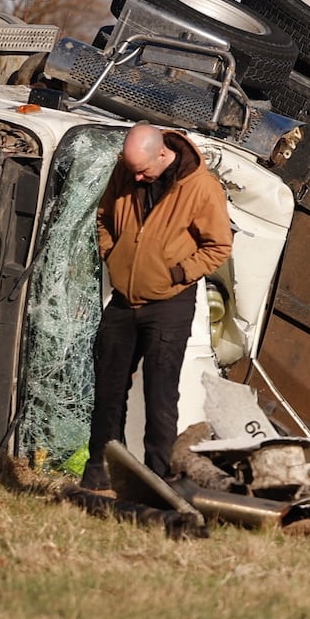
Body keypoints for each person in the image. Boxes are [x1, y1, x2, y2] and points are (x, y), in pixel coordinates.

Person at [81, 124, 232, 491]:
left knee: (160, 396)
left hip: (169, 304)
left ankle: (157, 480)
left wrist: (177, 273)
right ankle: (99, 472)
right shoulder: (127, 170)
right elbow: (104, 217)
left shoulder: (201, 187)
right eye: (130, 168)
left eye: (142, 170)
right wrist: (112, 256)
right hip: (123, 300)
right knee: (108, 393)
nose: (135, 176)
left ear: (163, 155)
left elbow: (218, 246)